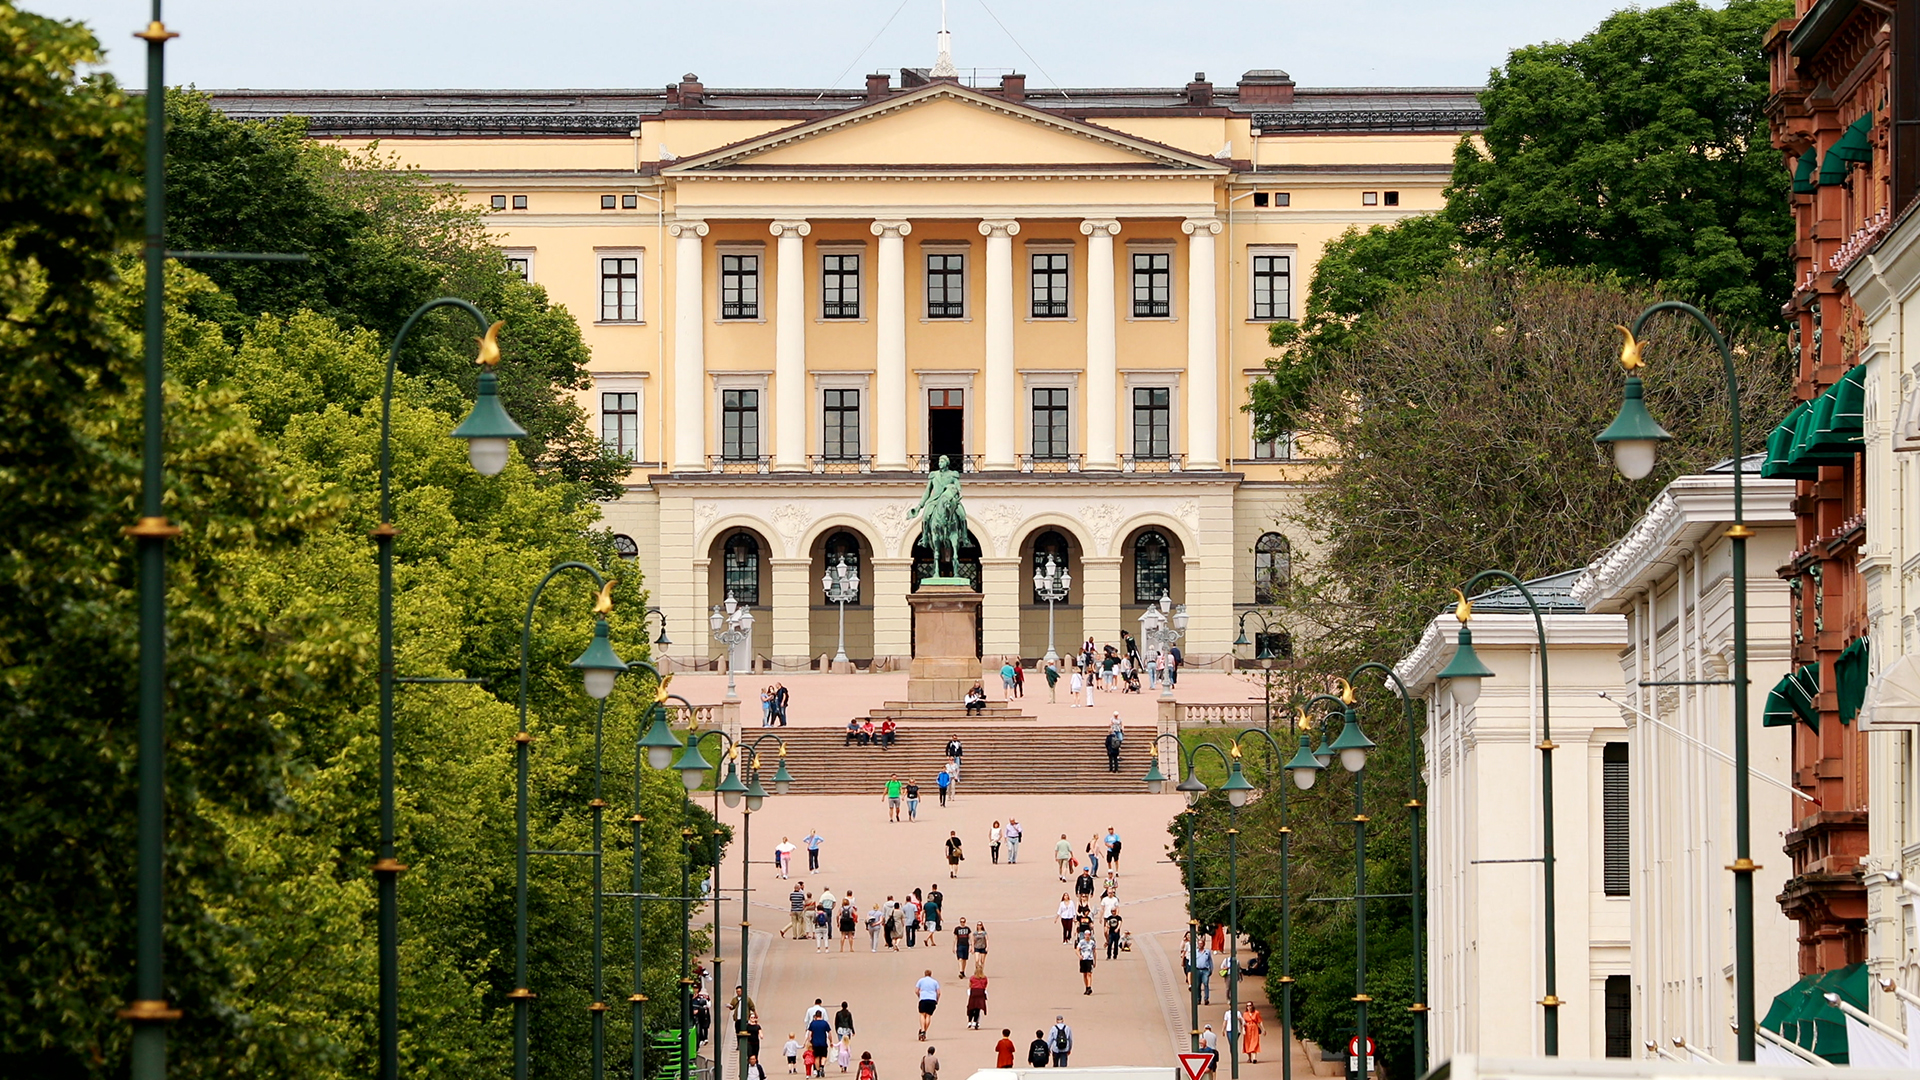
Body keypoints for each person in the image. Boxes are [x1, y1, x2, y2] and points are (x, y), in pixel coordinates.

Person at [914, 968, 941, 1040]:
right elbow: (938, 992)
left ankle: (922, 1029)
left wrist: (919, 996)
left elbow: (916, 990)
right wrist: (937, 1000)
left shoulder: (921, 980)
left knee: (922, 1014)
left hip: (923, 999)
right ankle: (924, 1031)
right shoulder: (935, 982)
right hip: (932, 999)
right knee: (928, 1016)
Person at [965, 959, 988, 1029]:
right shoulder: (984, 978)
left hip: (974, 992)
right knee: (978, 1008)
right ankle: (975, 1021)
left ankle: (969, 1021)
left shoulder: (972, 978)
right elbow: (985, 985)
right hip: (981, 992)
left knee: (971, 1007)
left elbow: (970, 985)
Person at [808, 1011, 832, 1075]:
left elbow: (810, 1034)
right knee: (824, 1056)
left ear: (815, 1016)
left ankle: (818, 1071)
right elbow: (829, 1033)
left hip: (815, 1043)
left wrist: (809, 1041)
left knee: (816, 1057)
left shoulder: (812, 1023)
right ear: (821, 1016)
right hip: (823, 1042)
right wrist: (831, 1041)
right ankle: (822, 1067)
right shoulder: (825, 1023)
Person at [1075, 927, 1097, 994]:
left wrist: (1095, 961)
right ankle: (1086, 987)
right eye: (1086, 935)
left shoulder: (1092, 942)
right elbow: (1077, 950)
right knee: (1084, 974)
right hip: (1083, 959)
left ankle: (1089, 987)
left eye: (1088, 935)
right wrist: (1079, 956)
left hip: (1089, 959)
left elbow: (1094, 951)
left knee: (1089, 973)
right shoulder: (1081, 942)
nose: (1087, 936)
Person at [1193, 938, 1213, 1003]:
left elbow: (1210, 961)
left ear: (1204, 944)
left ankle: (1206, 998)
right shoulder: (1195, 952)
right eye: (1199, 943)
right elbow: (1192, 961)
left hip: (1205, 970)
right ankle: (1198, 998)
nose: (1200, 945)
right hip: (1197, 970)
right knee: (1197, 985)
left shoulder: (1207, 952)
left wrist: (1211, 969)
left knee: (1205, 983)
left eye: (1201, 943)